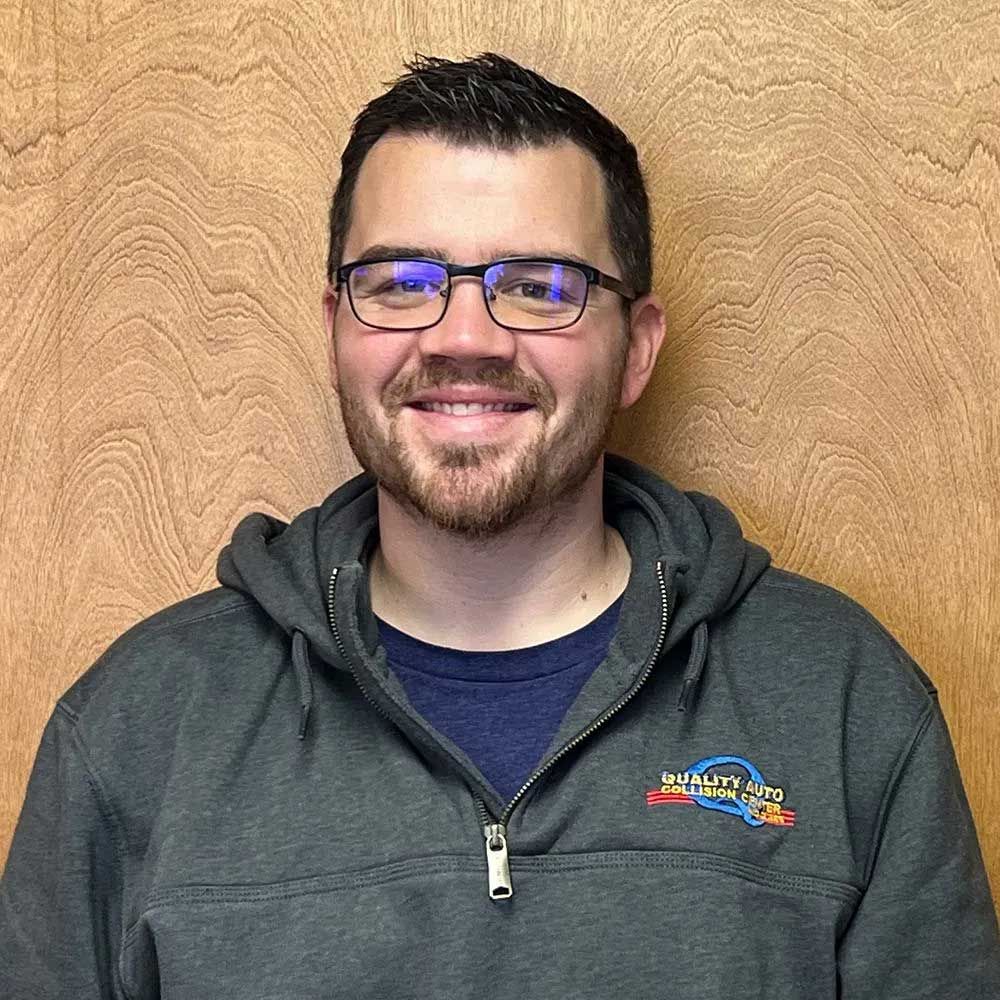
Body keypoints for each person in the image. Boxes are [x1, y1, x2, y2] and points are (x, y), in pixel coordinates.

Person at [1, 52, 997, 999]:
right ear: (336, 333)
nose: (463, 337)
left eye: (541, 287)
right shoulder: (138, 729)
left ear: (636, 348)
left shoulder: (843, 704)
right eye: (399, 282)